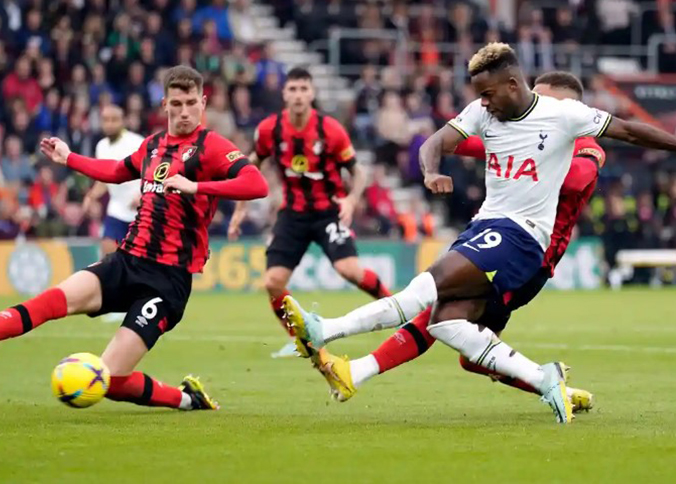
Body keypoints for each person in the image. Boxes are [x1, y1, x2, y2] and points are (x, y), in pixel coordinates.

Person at [284, 43, 676, 423]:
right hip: (487, 229)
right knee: (447, 326)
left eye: (541, 94)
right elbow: (445, 141)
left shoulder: (577, 133)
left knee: (427, 290)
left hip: (528, 247)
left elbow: (581, 175)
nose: (530, 98)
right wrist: (436, 164)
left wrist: (544, 152)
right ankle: (545, 380)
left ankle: (326, 331)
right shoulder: (492, 115)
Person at [0, 66, 269, 412]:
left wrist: (197, 186)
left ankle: (188, 399)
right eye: (177, 103)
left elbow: (256, 184)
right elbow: (116, 171)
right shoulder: (154, 145)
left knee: (109, 381)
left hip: (166, 282)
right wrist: (69, 158)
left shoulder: (213, 147)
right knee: (55, 299)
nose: (185, 111)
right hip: (126, 261)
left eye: (191, 103)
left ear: (203, 103)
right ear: (165, 104)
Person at [227, 67, 391, 340]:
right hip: (292, 215)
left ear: (312, 93)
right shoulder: (270, 129)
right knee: (272, 282)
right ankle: (302, 339)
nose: (298, 95)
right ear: (284, 94)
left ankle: (395, 307)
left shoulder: (330, 129)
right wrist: (240, 210)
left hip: (328, 212)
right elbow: (250, 168)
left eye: (304, 89)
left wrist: (351, 200)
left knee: (349, 270)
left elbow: (358, 172)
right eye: (293, 89)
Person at [82, 105, 144, 257]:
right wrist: (91, 196)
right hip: (116, 209)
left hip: (141, 211)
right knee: (108, 256)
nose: (109, 124)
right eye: (106, 120)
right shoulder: (101, 146)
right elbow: (104, 179)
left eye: (114, 120)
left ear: (123, 121)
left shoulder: (137, 143)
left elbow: (154, 173)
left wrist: (143, 195)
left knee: (140, 262)